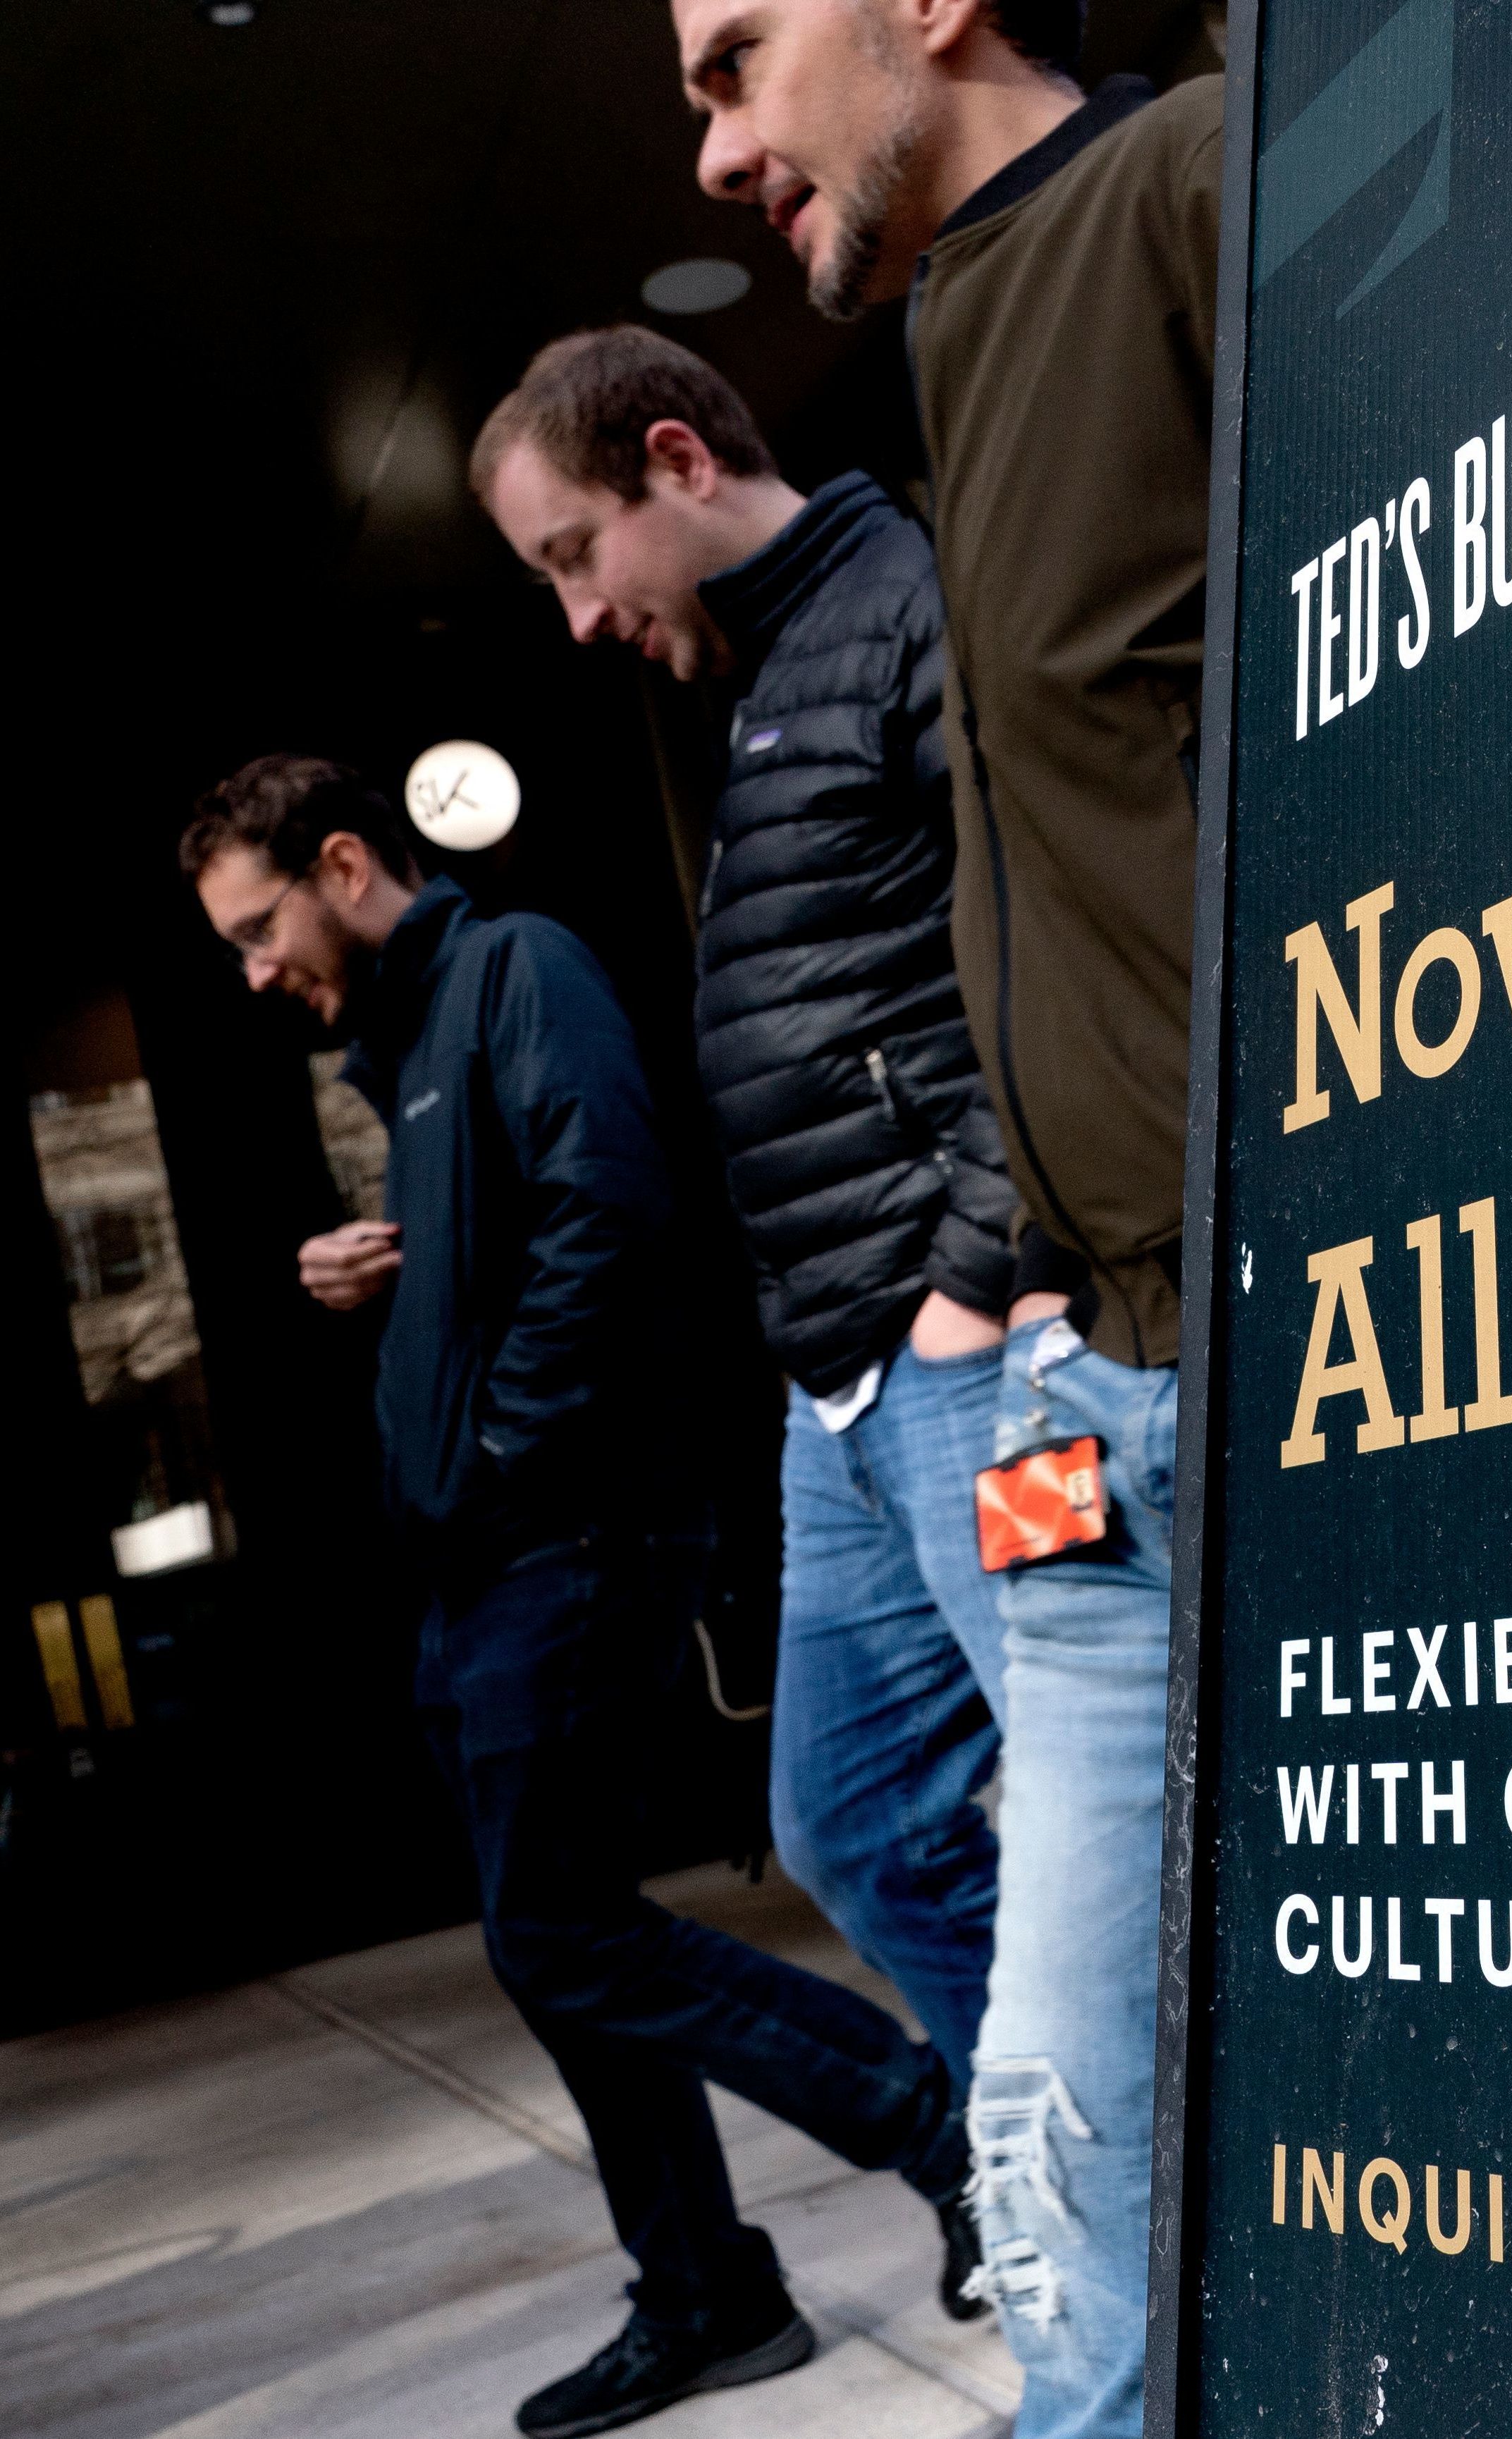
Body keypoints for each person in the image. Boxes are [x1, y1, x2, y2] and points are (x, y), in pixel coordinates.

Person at [185, 759, 975, 2439]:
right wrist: (373, 1277)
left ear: (342, 861)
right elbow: (500, 1255)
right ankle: (705, 2290)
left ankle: (934, 2126)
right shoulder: (412, 1048)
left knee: (562, 1927)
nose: (254, 971)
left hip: (565, 1537)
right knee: (561, 1949)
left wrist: (489, 1455)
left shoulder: (517, 968)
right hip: (485, 1560)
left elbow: (611, 1220)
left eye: (262, 927)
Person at [675, 3, 1221, 2431]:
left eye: (732, 55)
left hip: (1264, 1347)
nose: (712, 142)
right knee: (1048, 2118)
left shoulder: (1205, 194)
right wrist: (1006, 1297)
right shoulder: (950, 350)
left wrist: (950, 1268)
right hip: (1075, 1383)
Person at [469, 328, 1017, 2327]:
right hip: (842, 1381)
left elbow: (1046, 945)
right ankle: (1029, 2150)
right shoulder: (770, 679)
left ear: (675, 458)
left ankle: (1111, 2186)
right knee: (850, 1818)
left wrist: (973, 1279)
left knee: (1103, 1818)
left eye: (569, 552)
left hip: (953, 1355)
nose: (580, 610)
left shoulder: (905, 601)